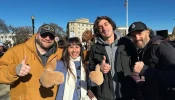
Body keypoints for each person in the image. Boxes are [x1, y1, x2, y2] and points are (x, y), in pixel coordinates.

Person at [0, 24, 63, 100]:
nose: (47, 38)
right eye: (44, 35)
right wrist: (14, 70)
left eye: (51, 36)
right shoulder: (16, 51)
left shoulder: (60, 53)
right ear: (37, 35)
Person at [88, 16, 137, 100]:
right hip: (104, 94)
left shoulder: (126, 43)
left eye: (106, 24)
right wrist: (99, 67)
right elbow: (90, 66)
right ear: (98, 31)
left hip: (126, 93)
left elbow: (135, 63)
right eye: (100, 27)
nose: (104, 28)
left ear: (112, 25)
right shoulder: (95, 48)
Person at [128, 21, 175, 100]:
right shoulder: (145, 50)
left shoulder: (162, 47)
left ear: (148, 32)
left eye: (140, 33)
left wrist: (145, 70)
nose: (137, 37)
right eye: (133, 35)